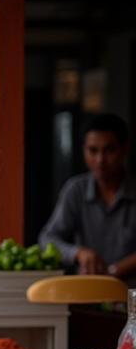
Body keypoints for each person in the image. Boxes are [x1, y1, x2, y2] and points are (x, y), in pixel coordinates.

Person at [39, 113, 136, 279]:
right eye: (93, 150)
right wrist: (77, 253)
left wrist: (117, 269)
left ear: (125, 149)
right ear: (83, 150)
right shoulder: (76, 190)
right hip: (87, 294)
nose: (100, 160)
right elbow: (47, 239)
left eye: (109, 150)